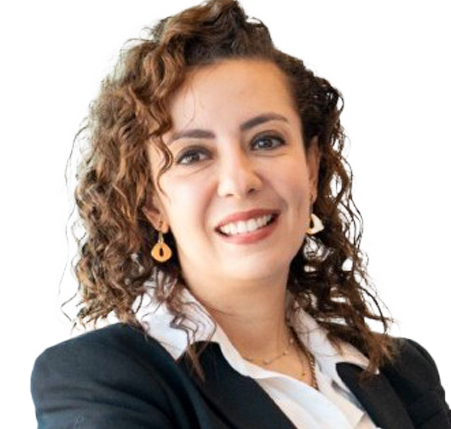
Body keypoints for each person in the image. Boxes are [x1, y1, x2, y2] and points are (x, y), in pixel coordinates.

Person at [29, 0, 450, 428]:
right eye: (193, 155)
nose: (239, 180)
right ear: (152, 204)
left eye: (266, 141)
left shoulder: (402, 373)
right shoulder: (101, 378)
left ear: (311, 168)